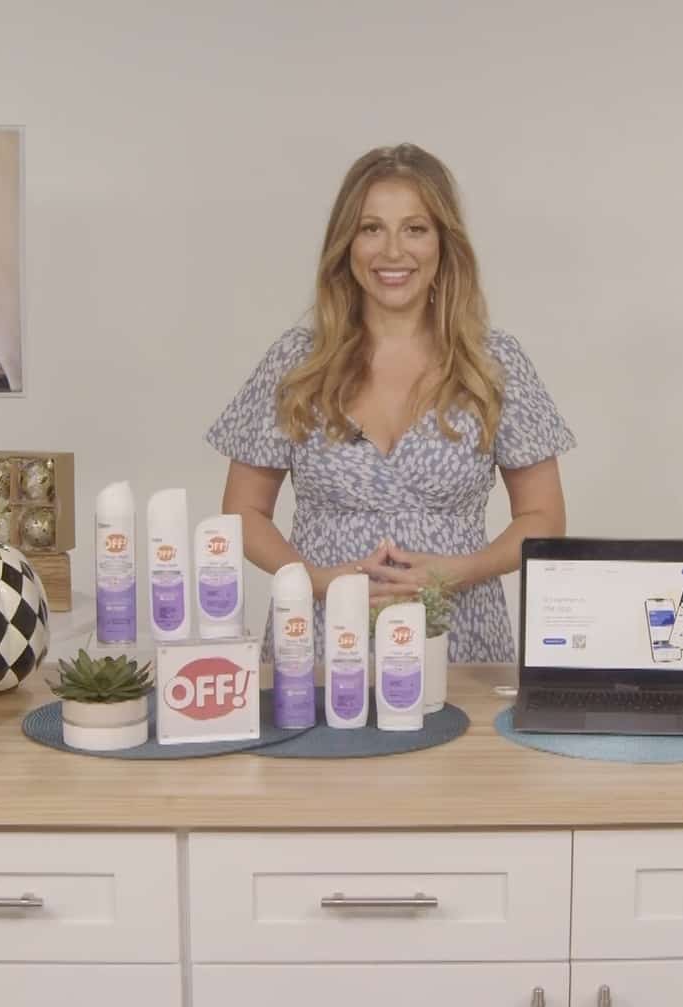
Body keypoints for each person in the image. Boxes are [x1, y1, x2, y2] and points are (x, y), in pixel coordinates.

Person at [206, 143, 574, 662]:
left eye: (415, 229)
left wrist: (458, 571)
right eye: (371, 228)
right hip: (320, 636)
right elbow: (243, 511)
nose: (393, 251)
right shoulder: (297, 362)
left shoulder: (494, 363)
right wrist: (316, 582)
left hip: (459, 638)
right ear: (346, 244)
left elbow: (544, 517)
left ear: (444, 244)